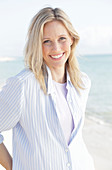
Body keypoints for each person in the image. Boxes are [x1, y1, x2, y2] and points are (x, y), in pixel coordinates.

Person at [0, 7, 95, 170]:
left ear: (72, 39)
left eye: (62, 38)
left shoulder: (82, 83)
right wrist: (13, 167)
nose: (56, 48)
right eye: (46, 41)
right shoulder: (22, 86)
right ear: (37, 45)